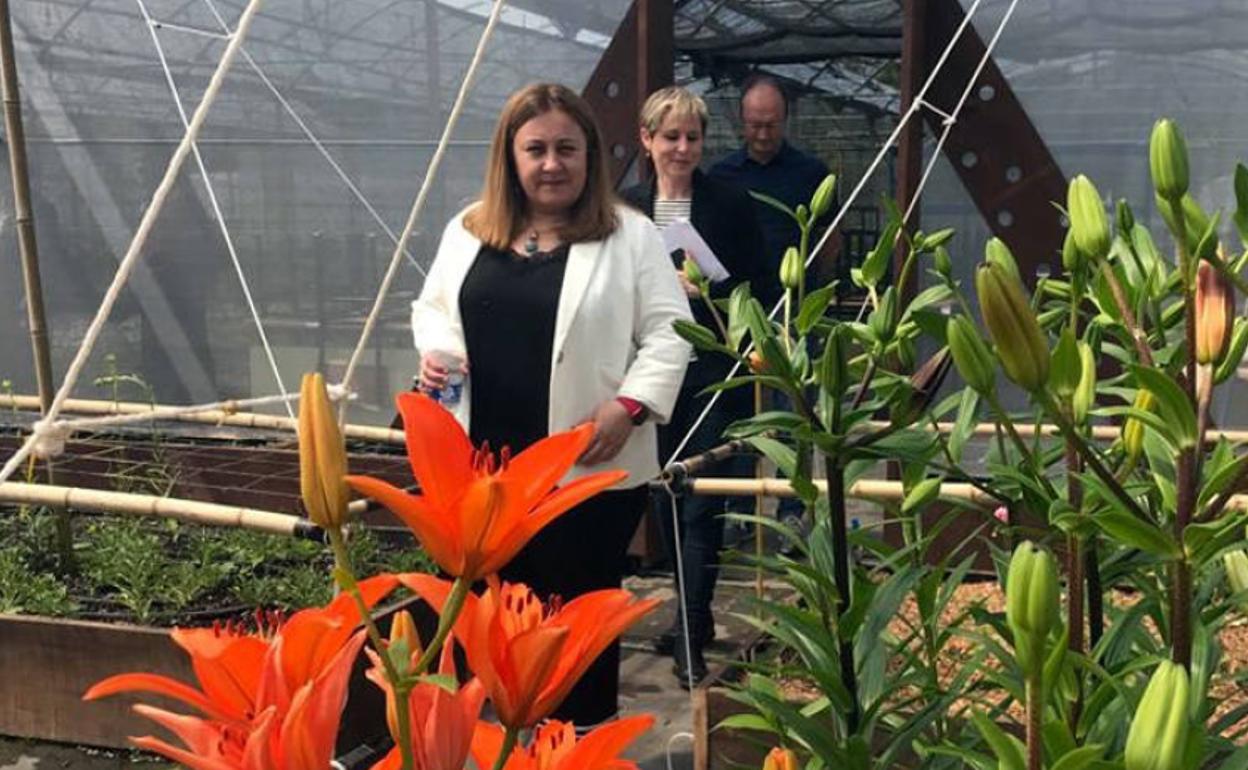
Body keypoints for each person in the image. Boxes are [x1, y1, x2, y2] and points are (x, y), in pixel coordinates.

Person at [410, 83, 692, 727]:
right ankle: (486, 744)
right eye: (535, 149)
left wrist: (630, 405)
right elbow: (433, 310)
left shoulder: (631, 235)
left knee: (573, 626)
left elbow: (672, 332)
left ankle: (577, 744)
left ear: (590, 155)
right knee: (486, 623)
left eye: (567, 148)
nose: (551, 164)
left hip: (585, 473)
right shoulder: (469, 229)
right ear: (509, 158)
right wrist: (436, 351)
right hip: (485, 479)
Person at [620, 86, 768, 686]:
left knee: (702, 497)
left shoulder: (729, 205)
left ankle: (690, 629)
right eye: (671, 136)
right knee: (663, 495)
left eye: (693, 137)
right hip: (650, 372)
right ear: (647, 140)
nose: (682, 148)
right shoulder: (624, 209)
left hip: (709, 369)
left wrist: (707, 293)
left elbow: (759, 288)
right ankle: (694, 621)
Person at [710, 73, 839, 535]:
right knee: (741, 409)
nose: (762, 134)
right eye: (754, 124)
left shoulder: (811, 173)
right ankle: (742, 509)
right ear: (741, 121)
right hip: (741, 308)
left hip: (793, 307)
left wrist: (814, 291)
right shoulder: (721, 176)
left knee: (795, 408)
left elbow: (830, 237)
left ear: (785, 120)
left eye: (771, 124)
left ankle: (790, 508)